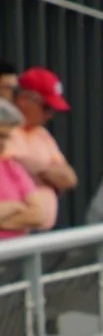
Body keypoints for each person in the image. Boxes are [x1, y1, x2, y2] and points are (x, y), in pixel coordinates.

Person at [6, 67, 77, 230]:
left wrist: (37, 170)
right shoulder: (7, 131)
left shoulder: (42, 134)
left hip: (42, 231)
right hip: (14, 229)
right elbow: (12, 167)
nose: (50, 115)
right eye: (46, 107)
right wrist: (49, 174)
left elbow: (69, 178)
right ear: (25, 99)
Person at [0, 99, 50, 239]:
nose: (4, 143)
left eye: (7, 136)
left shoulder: (10, 167)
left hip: (18, 255)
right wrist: (15, 206)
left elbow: (40, 215)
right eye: (0, 136)